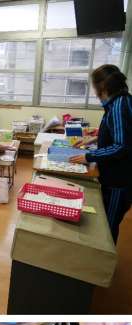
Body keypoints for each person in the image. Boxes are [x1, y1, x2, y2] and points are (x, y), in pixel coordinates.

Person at [70, 65, 132, 243]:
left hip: (119, 180)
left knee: (108, 226)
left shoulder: (119, 106)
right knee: (107, 220)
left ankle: (104, 257)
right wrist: (94, 138)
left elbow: (121, 146)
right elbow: (120, 132)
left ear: (102, 87)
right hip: (116, 175)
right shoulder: (120, 101)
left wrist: (89, 156)